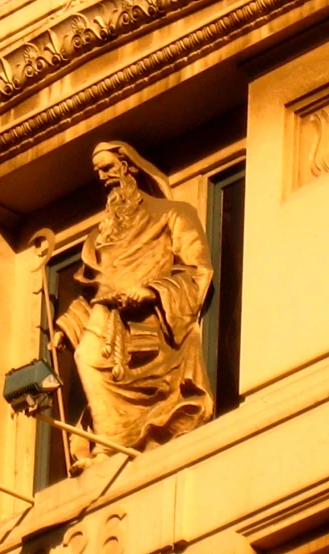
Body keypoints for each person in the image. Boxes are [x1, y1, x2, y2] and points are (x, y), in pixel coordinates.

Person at [53, 141, 214, 473]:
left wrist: (153, 292)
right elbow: (93, 290)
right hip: (108, 313)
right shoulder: (99, 236)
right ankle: (107, 444)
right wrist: (66, 325)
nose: (103, 176)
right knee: (86, 357)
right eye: (98, 171)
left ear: (129, 166)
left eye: (109, 167)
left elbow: (196, 269)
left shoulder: (174, 214)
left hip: (156, 320)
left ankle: (114, 446)